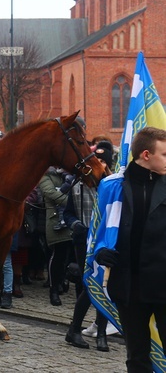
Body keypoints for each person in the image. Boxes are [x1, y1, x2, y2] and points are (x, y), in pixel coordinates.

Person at [93, 127, 166, 372]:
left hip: (163, 283)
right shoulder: (112, 186)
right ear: (146, 154)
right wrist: (100, 251)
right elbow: (99, 228)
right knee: (136, 356)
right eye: (165, 154)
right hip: (128, 286)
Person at [63, 141, 114, 351]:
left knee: (104, 286)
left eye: (103, 161)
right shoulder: (78, 184)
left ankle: (101, 331)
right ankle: (75, 329)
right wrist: (76, 225)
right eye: (97, 159)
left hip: (105, 243)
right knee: (87, 285)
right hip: (83, 241)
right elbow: (67, 212)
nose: (99, 164)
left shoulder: (111, 186)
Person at [39, 166, 73, 306]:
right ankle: (53, 289)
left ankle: (62, 281)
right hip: (55, 222)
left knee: (67, 256)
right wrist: (72, 202)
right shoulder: (46, 176)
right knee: (56, 256)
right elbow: (51, 193)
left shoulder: (69, 176)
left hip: (70, 220)